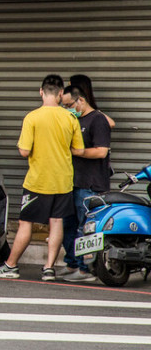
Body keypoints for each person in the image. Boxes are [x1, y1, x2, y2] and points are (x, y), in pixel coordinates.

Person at [0, 75, 84, 281]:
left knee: (26, 223)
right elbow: (78, 149)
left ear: (41, 91)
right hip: (63, 180)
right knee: (56, 222)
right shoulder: (71, 118)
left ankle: (11, 265)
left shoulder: (32, 117)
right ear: (60, 93)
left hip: (38, 180)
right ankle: (49, 268)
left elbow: (24, 151)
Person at [60, 85, 110, 283]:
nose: (67, 109)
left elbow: (101, 151)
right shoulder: (72, 120)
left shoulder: (97, 120)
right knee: (68, 226)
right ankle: (72, 263)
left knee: (85, 227)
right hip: (70, 182)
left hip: (90, 184)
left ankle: (85, 270)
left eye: (69, 105)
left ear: (80, 100)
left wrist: (78, 152)